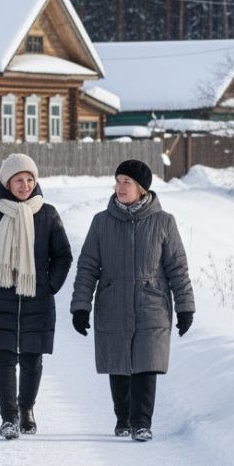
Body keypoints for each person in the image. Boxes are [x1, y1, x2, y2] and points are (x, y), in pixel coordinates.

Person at [70, 160, 195, 442]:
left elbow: (177, 268)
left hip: (152, 302)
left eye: (127, 182)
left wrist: (185, 307)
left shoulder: (164, 222)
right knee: (118, 362)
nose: (120, 187)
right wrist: (81, 305)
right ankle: (123, 418)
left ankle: (142, 422)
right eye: (118, 181)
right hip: (113, 300)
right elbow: (87, 267)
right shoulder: (101, 221)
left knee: (146, 363)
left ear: (141, 188)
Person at [0, 154, 74, 440]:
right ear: (7, 183)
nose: (25, 185)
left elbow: (63, 255)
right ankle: (9, 417)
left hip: (37, 299)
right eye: (18, 180)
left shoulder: (47, 214)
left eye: (29, 179)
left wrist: (50, 285)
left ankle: (26, 409)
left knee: (31, 360)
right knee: (3, 359)